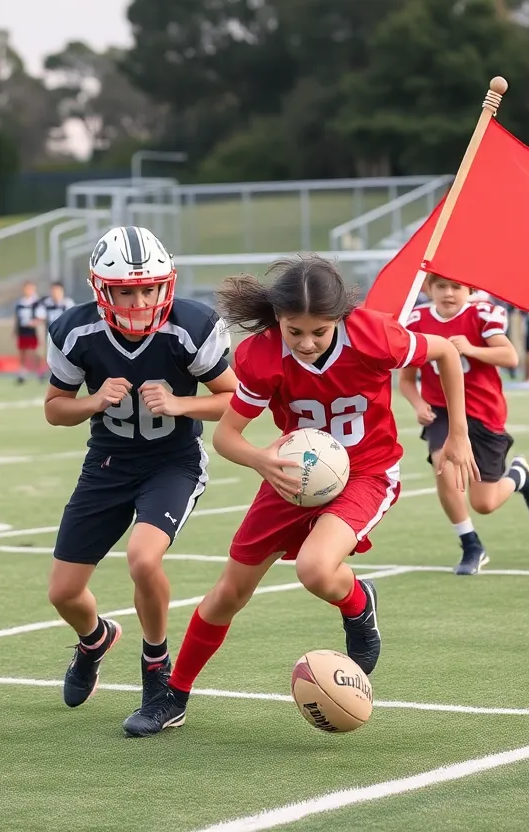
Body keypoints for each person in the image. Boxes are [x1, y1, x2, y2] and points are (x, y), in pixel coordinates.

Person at [121, 254, 478, 738]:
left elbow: (447, 354)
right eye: (295, 331)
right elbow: (228, 436)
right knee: (229, 592)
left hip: (367, 471)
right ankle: (174, 695)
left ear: (339, 320)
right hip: (292, 475)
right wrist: (261, 460)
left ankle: (356, 603)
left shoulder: (375, 335)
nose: (306, 343)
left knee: (315, 568)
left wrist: (458, 433)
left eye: (320, 332)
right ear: (278, 320)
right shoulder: (264, 354)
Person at [44, 226, 236, 723]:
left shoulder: (190, 325)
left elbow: (234, 399)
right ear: (101, 289)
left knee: (142, 558)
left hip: (172, 462)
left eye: (148, 288)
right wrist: (92, 400)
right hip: (106, 465)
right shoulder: (76, 330)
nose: (139, 300)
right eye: (126, 290)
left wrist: (180, 403)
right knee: (63, 593)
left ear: (165, 285)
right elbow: (55, 409)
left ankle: (157, 672)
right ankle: (95, 640)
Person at [400, 274, 529, 575]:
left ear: (471, 290)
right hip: (441, 409)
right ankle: (470, 544)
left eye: (456, 287)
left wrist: (470, 348)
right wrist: (418, 404)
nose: (449, 293)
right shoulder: (417, 320)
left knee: (485, 502)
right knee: (443, 461)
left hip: (482, 411)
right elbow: (404, 379)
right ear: (428, 288)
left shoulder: (482, 314)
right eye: (441, 286)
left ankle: (518, 476)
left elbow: (510, 357)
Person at [37, 281, 75, 381]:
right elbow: (40, 316)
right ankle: (44, 373)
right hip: (50, 333)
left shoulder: (68, 303)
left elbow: (72, 319)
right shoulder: (46, 303)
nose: (55, 293)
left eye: (57, 290)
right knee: (48, 354)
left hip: (64, 334)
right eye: (53, 290)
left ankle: (67, 374)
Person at [14, 281, 41, 384]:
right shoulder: (20, 303)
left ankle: (38, 372)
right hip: (22, 331)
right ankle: (22, 372)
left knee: (34, 352)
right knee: (22, 352)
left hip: (32, 331)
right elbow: (17, 318)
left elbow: (40, 316)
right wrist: (14, 331)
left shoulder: (36, 303)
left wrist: (34, 323)